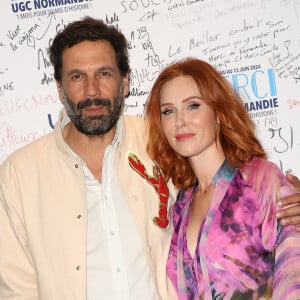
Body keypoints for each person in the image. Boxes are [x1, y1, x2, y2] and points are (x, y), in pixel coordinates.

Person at [0, 17, 299, 300]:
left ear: (125, 81)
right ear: (59, 88)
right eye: (77, 76)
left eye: (104, 73)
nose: (92, 90)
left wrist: (288, 200)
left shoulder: (158, 141)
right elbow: (16, 289)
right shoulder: (20, 174)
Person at [145, 58, 300, 299]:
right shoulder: (180, 206)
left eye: (193, 105)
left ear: (218, 113)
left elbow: (293, 276)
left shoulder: (261, 180)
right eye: (168, 111)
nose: (180, 121)